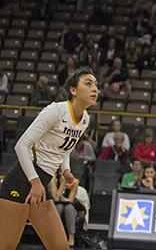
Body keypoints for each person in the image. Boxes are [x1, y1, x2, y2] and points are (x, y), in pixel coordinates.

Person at [0, 68, 97, 250]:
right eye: (88, 83)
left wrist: (65, 170)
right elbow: (21, 145)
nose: (95, 89)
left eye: (96, 85)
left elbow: (64, 149)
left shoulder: (85, 120)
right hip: (21, 181)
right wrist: (35, 182)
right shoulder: (56, 110)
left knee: (60, 247)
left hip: (40, 187)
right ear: (73, 90)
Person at [49, 173, 81, 247]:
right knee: (59, 207)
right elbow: (55, 197)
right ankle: (55, 236)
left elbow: (71, 199)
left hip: (69, 206)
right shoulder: (53, 180)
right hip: (56, 205)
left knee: (68, 208)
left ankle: (71, 236)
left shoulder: (75, 181)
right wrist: (62, 184)